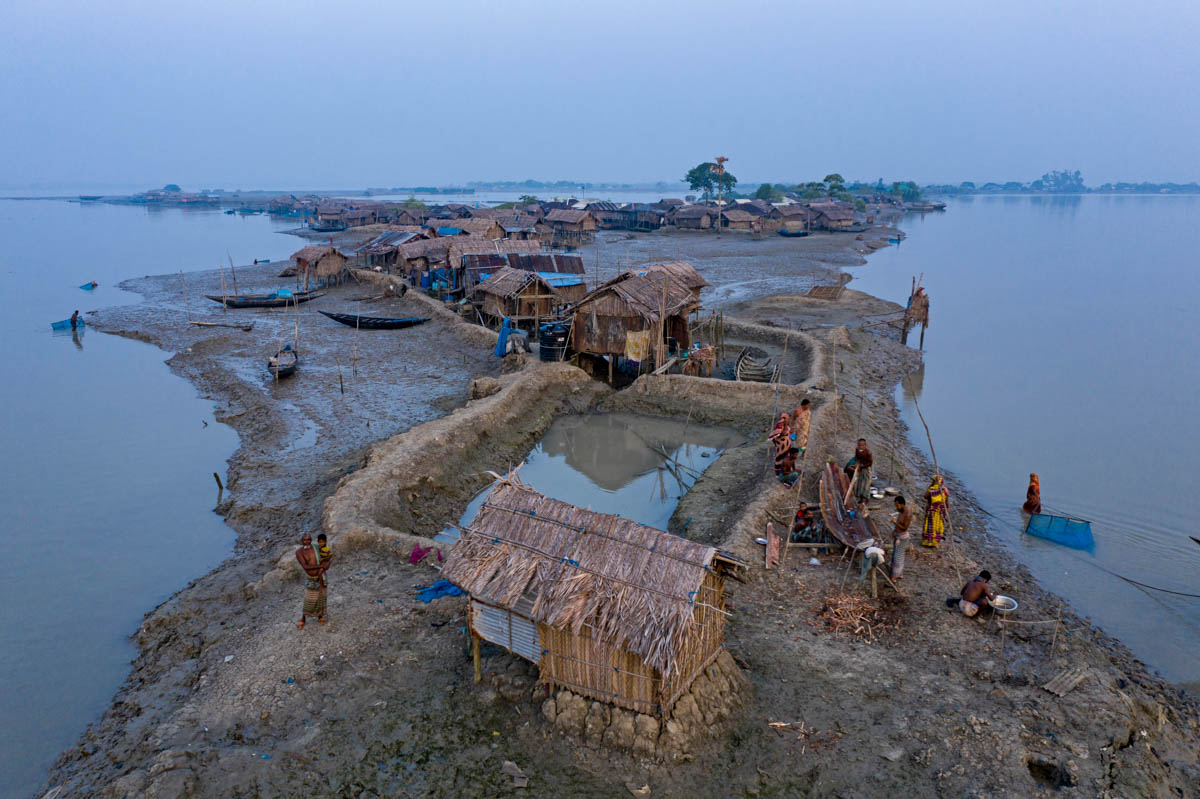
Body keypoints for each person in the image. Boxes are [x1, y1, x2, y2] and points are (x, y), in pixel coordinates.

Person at [296, 533, 328, 628]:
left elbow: (327, 557)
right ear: (302, 541)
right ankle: (303, 619)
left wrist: (322, 569)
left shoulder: (316, 547)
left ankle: (320, 616)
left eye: (308, 539)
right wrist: (320, 566)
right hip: (311, 578)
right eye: (305, 540)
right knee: (309, 599)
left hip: (321, 576)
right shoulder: (299, 552)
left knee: (321, 597)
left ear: (311, 540)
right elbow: (305, 566)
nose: (307, 542)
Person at [921, 474, 950, 548]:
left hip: (932, 511)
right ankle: (935, 541)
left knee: (930, 526)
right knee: (938, 526)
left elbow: (925, 496)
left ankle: (929, 541)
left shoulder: (931, 489)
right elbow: (946, 501)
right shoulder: (945, 490)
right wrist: (947, 509)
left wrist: (930, 486)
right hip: (940, 511)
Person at [890, 495, 912, 580]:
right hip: (897, 535)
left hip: (903, 537)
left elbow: (905, 528)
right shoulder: (901, 511)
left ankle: (894, 575)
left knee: (897, 556)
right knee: (898, 555)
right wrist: (893, 531)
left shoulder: (908, 514)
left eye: (897, 505)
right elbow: (899, 524)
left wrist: (895, 523)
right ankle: (899, 573)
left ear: (902, 504)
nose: (896, 507)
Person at [849, 439, 873, 511]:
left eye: (862, 445)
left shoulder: (869, 453)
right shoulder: (857, 450)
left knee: (866, 483)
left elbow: (870, 463)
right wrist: (857, 464)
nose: (860, 447)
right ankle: (859, 497)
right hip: (860, 466)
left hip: (866, 468)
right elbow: (856, 457)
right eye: (859, 445)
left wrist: (862, 466)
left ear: (865, 445)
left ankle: (864, 500)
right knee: (858, 482)